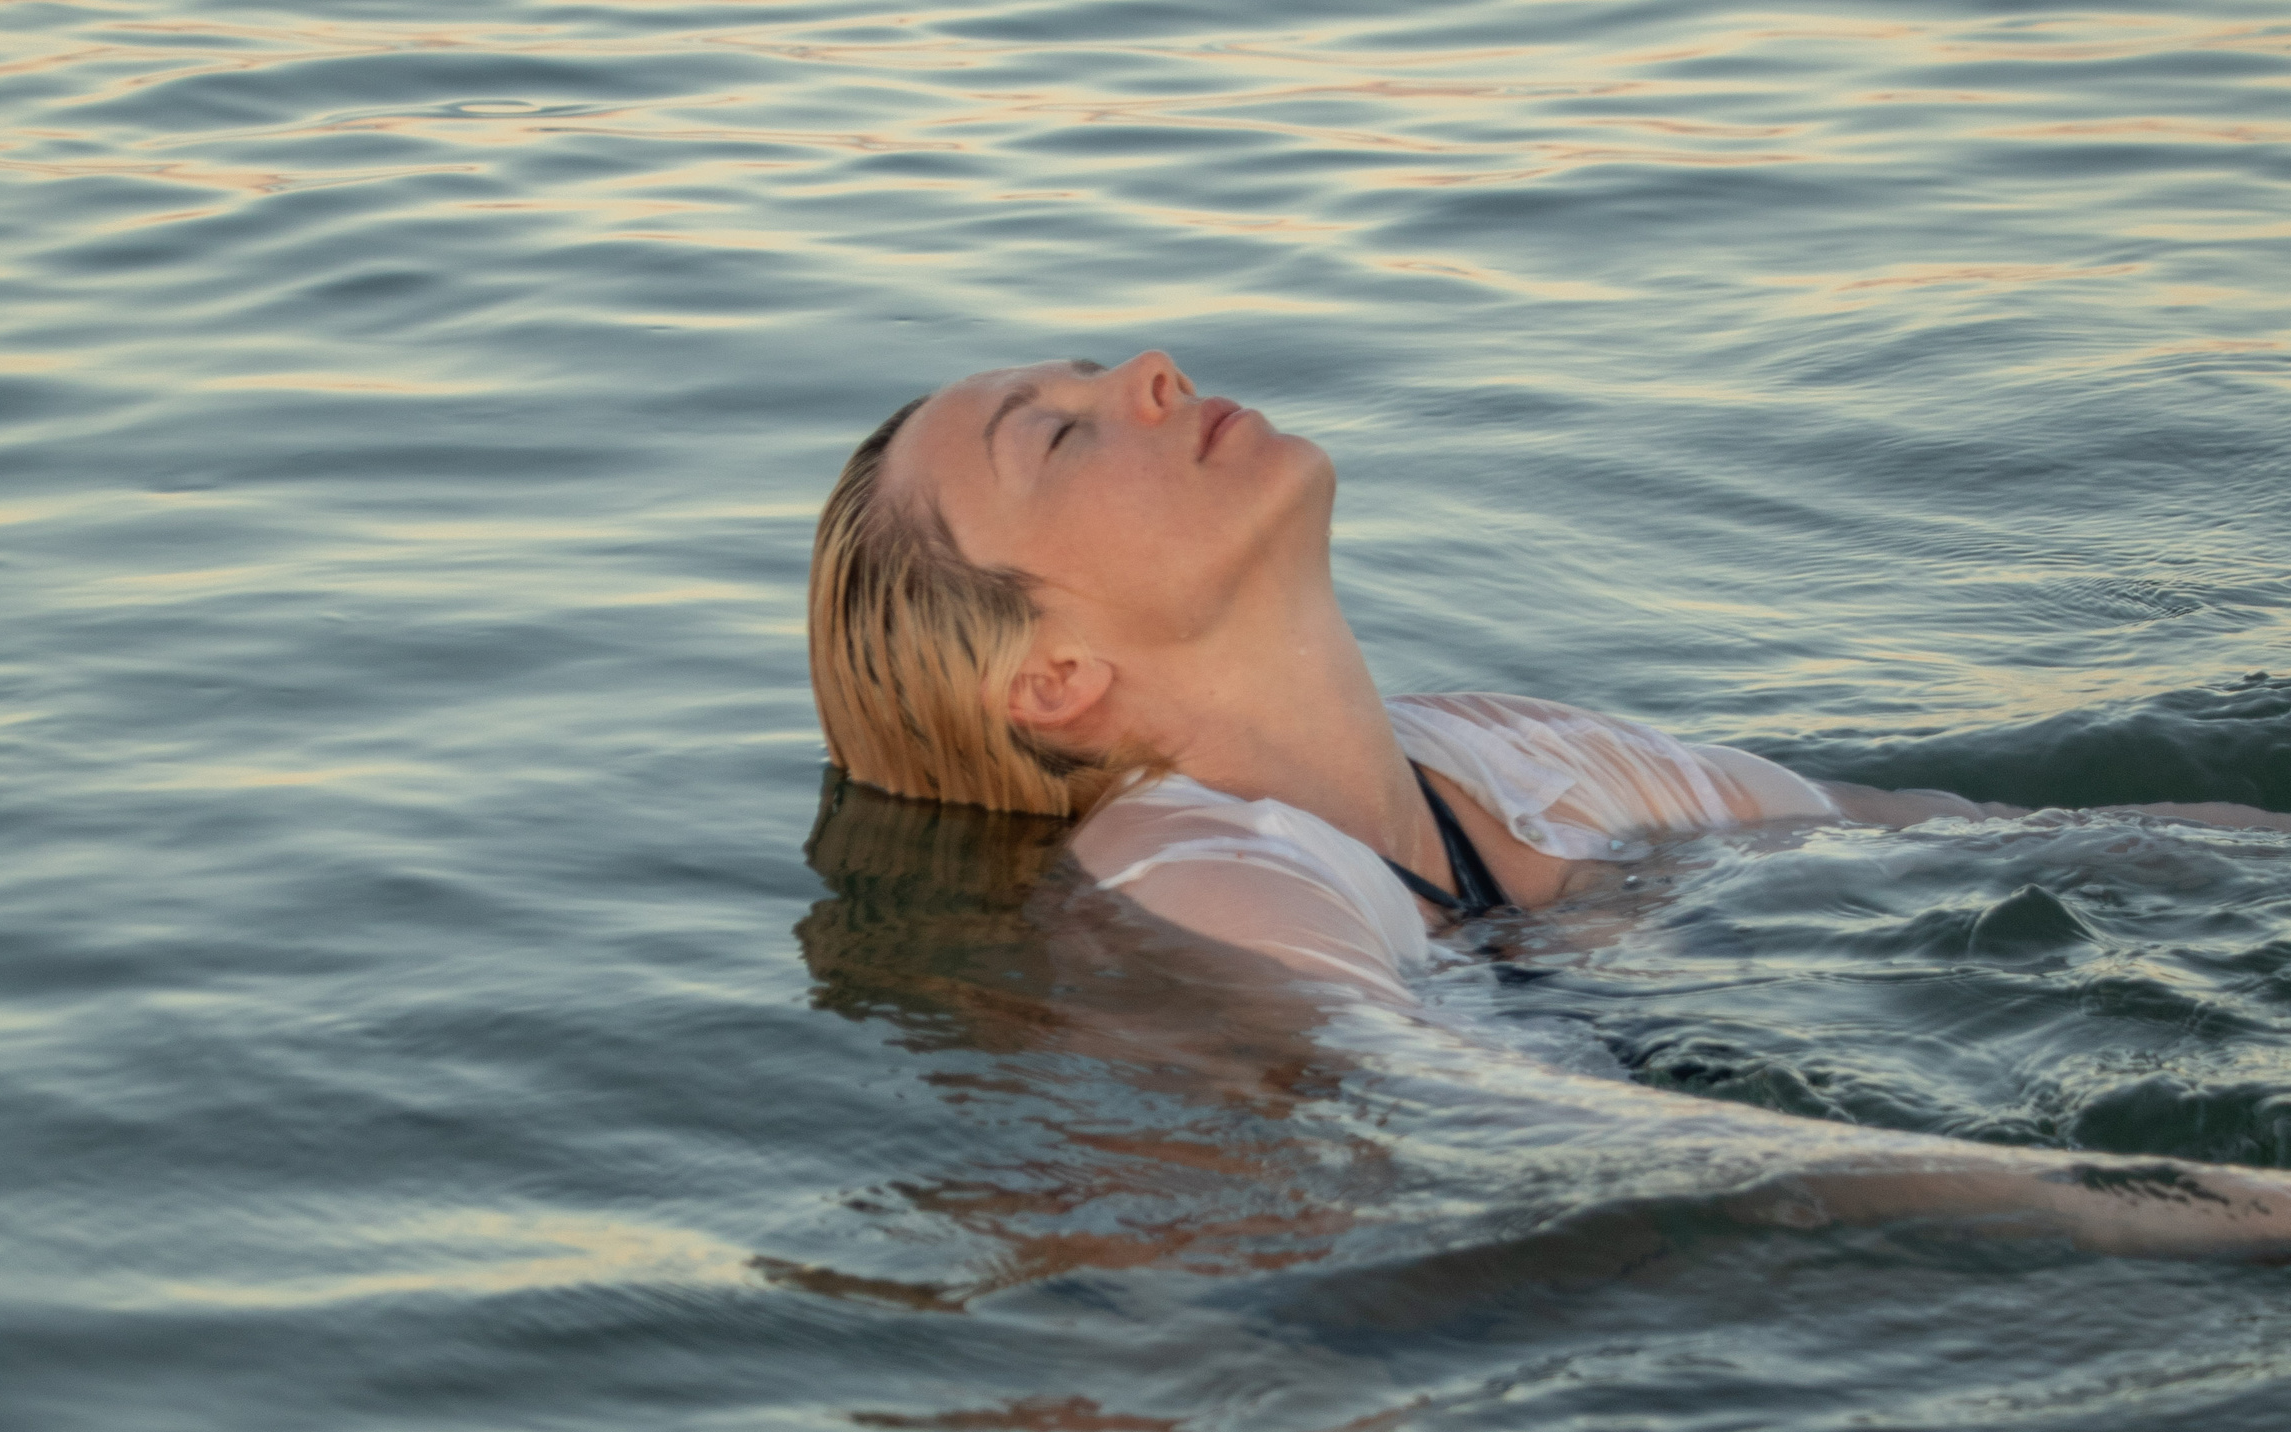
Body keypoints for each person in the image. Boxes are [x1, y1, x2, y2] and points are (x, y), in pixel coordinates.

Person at [804, 348, 2291, 1263]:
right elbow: (1544, 1144)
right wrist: (2213, 1210)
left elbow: (1981, 839)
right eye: (1057, 436)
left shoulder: (1503, 754)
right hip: (1456, 1371)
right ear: (1056, 677)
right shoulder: (1189, 869)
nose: (1145, 369)